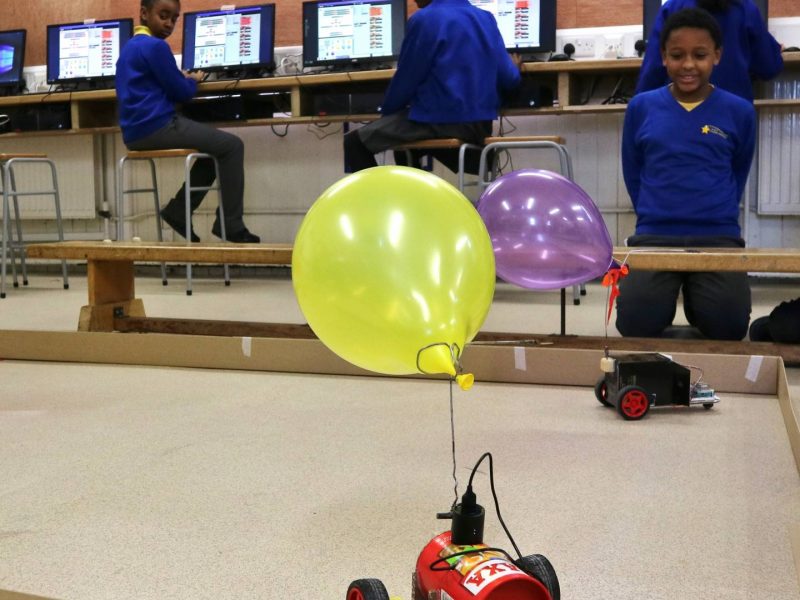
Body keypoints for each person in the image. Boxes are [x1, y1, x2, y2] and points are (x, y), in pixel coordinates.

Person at [616, 7, 756, 340]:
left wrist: (715, 210)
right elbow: (633, 169)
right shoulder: (641, 107)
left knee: (729, 327)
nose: (689, 65)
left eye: (700, 55)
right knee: (634, 324)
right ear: (664, 57)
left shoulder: (740, 111)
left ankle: (698, 298)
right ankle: (664, 297)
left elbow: (738, 170)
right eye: (677, 55)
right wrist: (653, 213)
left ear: (717, 56)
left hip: (718, 236)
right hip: (654, 235)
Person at [116, 0, 260, 243]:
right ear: (144, 13)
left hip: (134, 133)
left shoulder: (130, 46)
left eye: (174, 19)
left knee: (214, 149)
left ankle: (178, 211)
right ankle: (231, 225)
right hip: (157, 126)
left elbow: (156, 82)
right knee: (233, 146)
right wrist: (193, 80)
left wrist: (178, 77)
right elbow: (181, 93)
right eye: (163, 16)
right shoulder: (156, 47)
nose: (169, 23)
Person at [343, 0, 521, 173]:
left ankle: (379, 194)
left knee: (355, 142)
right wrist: (515, 67)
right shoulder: (486, 18)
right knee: (405, 148)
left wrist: (387, 114)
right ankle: (414, 193)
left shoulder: (424, 19)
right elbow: (510, 79)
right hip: (479, 129)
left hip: (440, 122)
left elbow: (406, 80)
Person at [637, 0, 783, 102]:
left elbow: (652, 73)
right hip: (733, 116)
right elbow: (769, 67)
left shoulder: (672, 7)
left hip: (679, 112)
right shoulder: (745, 9)